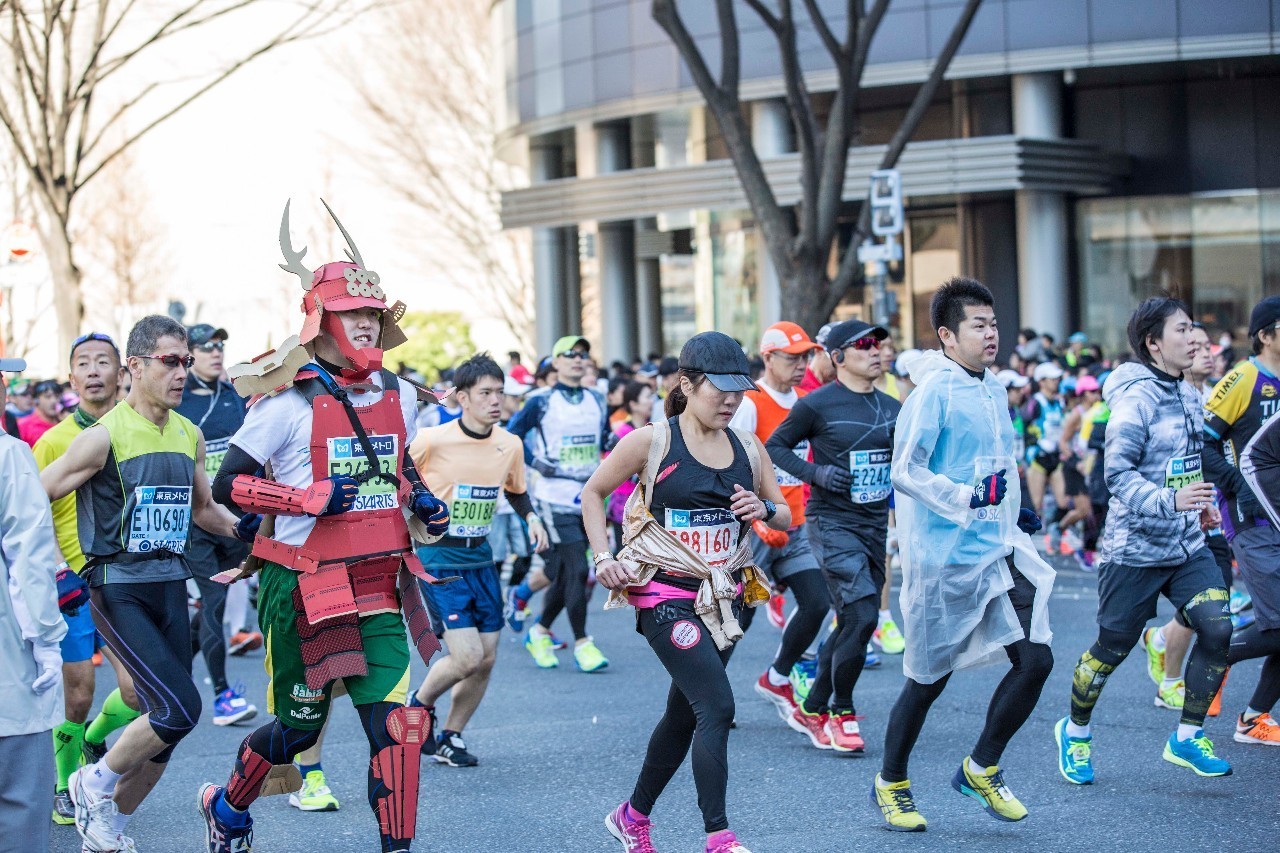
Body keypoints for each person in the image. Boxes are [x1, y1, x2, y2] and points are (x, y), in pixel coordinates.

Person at [196, 202, 452, 853]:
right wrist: (302, 496)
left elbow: (395, 463)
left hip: (380, 583)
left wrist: (424, 501)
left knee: (397, 732)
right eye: (352, 314)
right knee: (297, 727)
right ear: (321, 322)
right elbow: (230, 484)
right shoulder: (285, 403)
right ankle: (227, 807)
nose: (367, 324)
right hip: (306, 584)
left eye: (373, 315)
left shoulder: (404, 392)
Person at [39, 316, 245, 853]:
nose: (182, 371)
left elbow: (204, 510)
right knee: (182, 707)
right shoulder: (102, 436)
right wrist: (43, 565)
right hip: (118, 584)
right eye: (170, 361)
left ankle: (107, 828)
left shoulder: (188, 433)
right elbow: (36, 496)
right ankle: (93, 781)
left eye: (186, 361)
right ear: (136, 366)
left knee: (168, 729)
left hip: (170, 584)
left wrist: (254, 536)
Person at [585, 331, 786, 853]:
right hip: (664, 595)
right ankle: (719, 837)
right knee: (717, 706)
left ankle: (631, 817)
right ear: (687, 384)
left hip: (725, 600)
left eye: (738, 390)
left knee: (685, 712)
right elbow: (593, 492)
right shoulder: (651, 442)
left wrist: (761, 510)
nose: (730, 400)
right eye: (718, 388)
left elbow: (783, 511)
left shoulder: (747, 445)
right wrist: (603, 557)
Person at [873, 278, 1054, 831]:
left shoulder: (994, 388)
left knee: (1036, 659)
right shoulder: (934, 392)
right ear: (947, 336)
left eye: (994, 323)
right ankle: (892, 782)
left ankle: (982, 767)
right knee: (928, 679)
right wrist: (965, 499)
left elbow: (997, 464)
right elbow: (905, 468)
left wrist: (1015, 508)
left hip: (998, 548)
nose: (991, 333)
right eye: (978, 325)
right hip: (943, 558)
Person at [1055, 295, 1233, 787]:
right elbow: (1117, 476)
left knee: (1218, 628)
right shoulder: (1136, 400)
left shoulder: (1189, 392)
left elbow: (1185, 464)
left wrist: (1201, 504)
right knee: (1111, 650)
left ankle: (1187, 737)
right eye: (1181, 330)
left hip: (1186, 546)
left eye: (1193, 327)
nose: (1192, 336)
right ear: (1154, 344)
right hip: (1133, 551)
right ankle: (1074, 732)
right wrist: (1170, 502)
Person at [766, 320, 902, 753]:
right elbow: (775, 447)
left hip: (874, 524)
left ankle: (812, 705)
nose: (876, 351)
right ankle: (841, 712)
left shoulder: (893, 405)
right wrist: (816, 473)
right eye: (863, 344)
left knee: (853, 622)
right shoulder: (817, 405)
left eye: (879, 344)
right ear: (837, 356)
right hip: (831, 523)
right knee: (863, 616)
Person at [406, 353, 547, 767]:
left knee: (485, 660)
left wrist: (532, 518)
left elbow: (516, 490)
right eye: (485, 393)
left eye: (500, 393)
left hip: (482, 557)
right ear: (462, 398)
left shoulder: (510, 444)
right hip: (439, 557)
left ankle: (451, 736)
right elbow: (398, 477)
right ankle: (420, 703)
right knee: (465, 656)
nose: (495, 401)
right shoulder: (433, 440)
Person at [31, 332, 142, 825]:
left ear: (123, 374)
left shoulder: (138, 429)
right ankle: (63, 784)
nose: (94, 370)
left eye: (105, 362)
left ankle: (94, 741)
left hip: (124, 581)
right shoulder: (53, 440)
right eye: (84, 363)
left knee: (140, 692)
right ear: (72, 377)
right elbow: (31, 511)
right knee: (76, 693)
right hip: (72, 587)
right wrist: (59, 571)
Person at [724, 322, 826, 722]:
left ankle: (778, 675)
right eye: (792, 357)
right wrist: (753, 517)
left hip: (795, 524)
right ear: (768, 358)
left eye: (806, 356)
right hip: (753, 532)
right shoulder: (750, 402)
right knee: (738, 616)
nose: (801, 365)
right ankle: (706, 699)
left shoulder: (805, 401)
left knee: (818, 602)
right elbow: (730, 461)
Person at [1194, 297, 1280, 745]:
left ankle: (1251, 720)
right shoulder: (1244, 377)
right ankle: (1215, 654)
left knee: (1278, 628)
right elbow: (1202, 443)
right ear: (1265, 335)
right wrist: (1237, 484)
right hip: (1250, 518)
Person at [506, 335, 609, 672]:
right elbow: (512, 433)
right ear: (555, 362)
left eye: (582, 355)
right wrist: (536, 463)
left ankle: (538, 630)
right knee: (579, 570)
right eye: (569, 354)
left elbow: (605, 439)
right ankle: (582, 643)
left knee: (565, 574)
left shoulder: (598, 399)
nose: (578, 360)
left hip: (590, 498)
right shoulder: (541, 400)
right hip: (553, 497)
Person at [0, 353, 69, 853]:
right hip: (8, 664)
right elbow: (28, 555)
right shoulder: (8, 456)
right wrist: (46, 640)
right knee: (21, 799)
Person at [1138, 322, 1227, 710]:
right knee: (1200, 607)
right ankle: (1171, 681)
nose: (1206, 352)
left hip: (1212, 509)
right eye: (1197, 345)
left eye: (1209, 347)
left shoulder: (1215, 395)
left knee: (1210, 605)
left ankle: (1163, 646)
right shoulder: (1163, 398)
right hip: (1173, 516)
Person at [176, 322, 260, 728]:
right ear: (189, 354)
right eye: (206, 347)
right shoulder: (178, 403)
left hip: (237, 523)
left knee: (211, 608)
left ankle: (170, 676)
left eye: (220, 346)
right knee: (215, 602)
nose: (216, 352)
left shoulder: (236, 397)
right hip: (196, 523)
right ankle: (223, 695)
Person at [1023, 361, 1068, 553]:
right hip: (1038, 459)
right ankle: (1026, 547)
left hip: (1055, 458)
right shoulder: (1035, 402)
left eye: (1058, 378)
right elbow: (1023, 427)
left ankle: (1055, 530)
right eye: (1052, 378)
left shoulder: (1058, 402)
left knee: (1064, 501)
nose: (1057, 381)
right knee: (1036, 505)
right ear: (1042, 381)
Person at [19, 379, 63, 447]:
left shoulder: (64, 422)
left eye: (57, 396)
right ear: (36, 399)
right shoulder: (24, 426)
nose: (54, 401)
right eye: (47, 397)